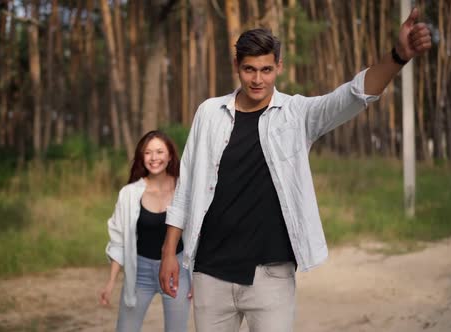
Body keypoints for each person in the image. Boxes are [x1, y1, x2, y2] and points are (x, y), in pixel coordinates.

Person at [159, 8, 432, 332]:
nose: (257, 79)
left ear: (279, 67)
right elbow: (186, 185)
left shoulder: (296, 115)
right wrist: (168, 252)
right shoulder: (209, 114)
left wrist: (398, 56)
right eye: (249, 70)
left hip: (270, 276)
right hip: (210, 274)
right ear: (236, 67)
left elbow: (353, 96)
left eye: (266, 70)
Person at [100, 130, 191, 332]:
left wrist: (195, 279)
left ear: (169, 155)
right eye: (148, 152)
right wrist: (111, 283)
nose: (154, 158)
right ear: (142, 157)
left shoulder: (185, 189)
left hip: (177, 272)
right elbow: (118, 240)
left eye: (159, 151)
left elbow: (199, 236)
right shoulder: (129, 194)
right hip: (139, 273)